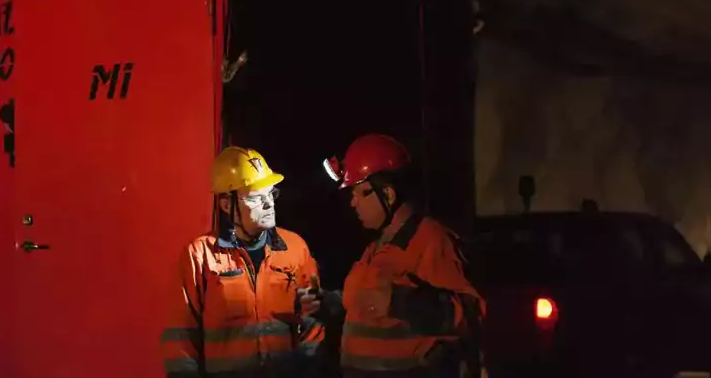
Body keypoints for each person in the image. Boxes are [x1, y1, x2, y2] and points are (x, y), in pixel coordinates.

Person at [302, 133, 486, 377]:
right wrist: (325, 302)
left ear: (388, 194)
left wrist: (402, 302)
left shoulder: (430, 240)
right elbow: (363, 304)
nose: (352, 203)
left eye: (361, 193)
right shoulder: (376, 246)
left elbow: (473, 313)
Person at [161, 146, 325, 377]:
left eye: (271, 194)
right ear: (227, 205)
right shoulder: (200, 255)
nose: (269, 204)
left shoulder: (295, 249)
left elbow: (313, 324)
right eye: (257, 198)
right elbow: (181, 336)